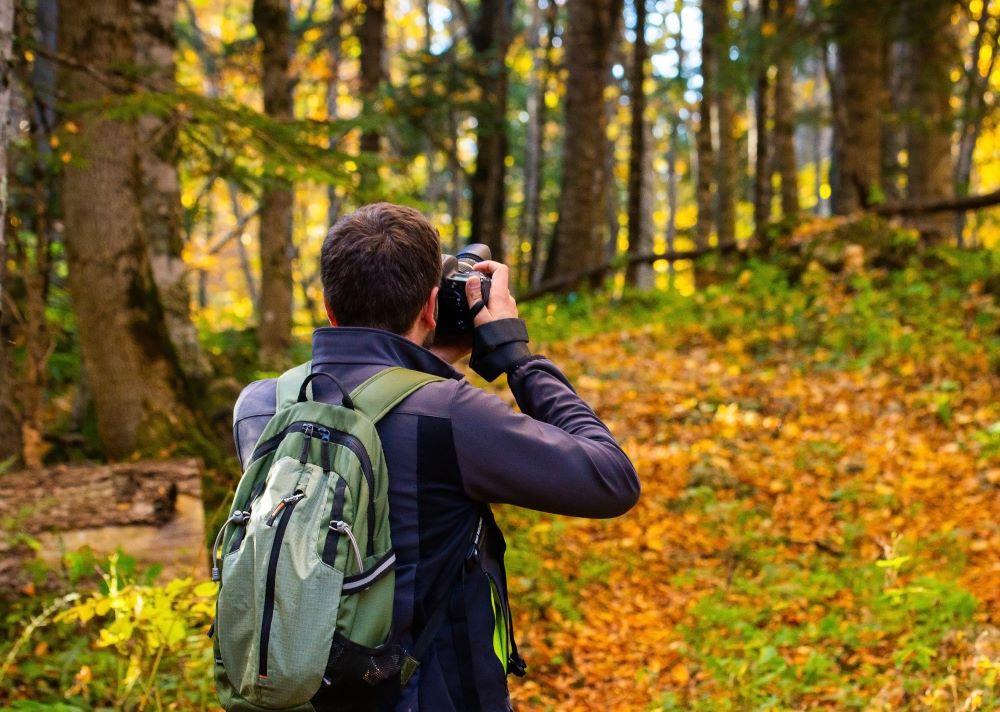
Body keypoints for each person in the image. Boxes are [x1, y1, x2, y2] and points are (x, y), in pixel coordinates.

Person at [232, 203, 639, 711]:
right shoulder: (450, 415)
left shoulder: (261, 405)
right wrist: (516, 355)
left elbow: (367, 394)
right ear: (431, 306)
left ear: (330, 307)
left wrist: (423, 354)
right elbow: (611, 479)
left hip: (306, 692)